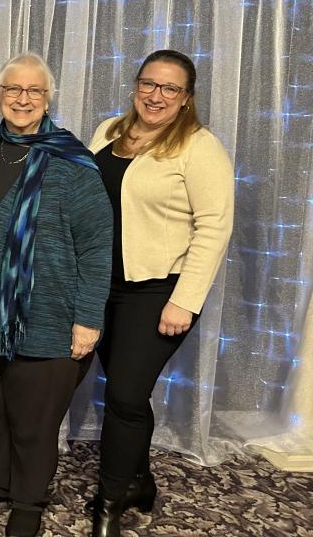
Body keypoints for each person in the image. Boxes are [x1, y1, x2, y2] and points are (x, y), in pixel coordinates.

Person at [0, 53, 113, 537]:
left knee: (32, 420)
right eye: (13, 90)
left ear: (48, 98)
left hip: (47, 316)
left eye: (34, 91)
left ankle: (28, 497)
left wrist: (88, 319)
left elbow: (97, 245)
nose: (23, 100)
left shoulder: (73, 162)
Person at [87, 50, 234, 537]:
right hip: (99, 284)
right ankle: (140, 478)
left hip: (157, 289)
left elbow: (213, 227)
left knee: (126, 394)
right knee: (126, 396)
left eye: (170, 88)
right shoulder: (109, 131)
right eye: (149, 83)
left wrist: (185, 300)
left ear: (186, 99)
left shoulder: (199, 146)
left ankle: (109, 501)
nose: (156, 95)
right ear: (136, 86)